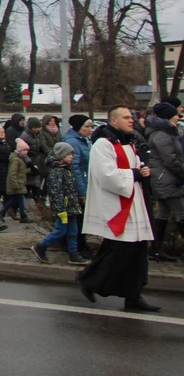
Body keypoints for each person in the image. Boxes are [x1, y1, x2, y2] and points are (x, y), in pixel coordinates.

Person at [77, 105, 159, 312]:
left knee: (137, 253)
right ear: (113, 121)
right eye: (125, 117)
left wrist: (143, 170)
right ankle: (89, 280)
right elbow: (106, 175)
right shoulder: (103, 144)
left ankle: (133, 297)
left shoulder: (128, 143)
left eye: (131, 117)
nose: (131, 120)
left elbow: (134, 167)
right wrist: (135, 174)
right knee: (121, 251)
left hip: (134, 203)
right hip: (118, 206)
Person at [30, 142, 86, 265]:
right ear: (61, 156)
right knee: (61, 231)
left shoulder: (67, 170)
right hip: (63, 209)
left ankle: (73, 254)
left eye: (72, 154)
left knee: (73, 231)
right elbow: (56, 193)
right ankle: (40, 246)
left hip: (71, 208)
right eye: (69, 154)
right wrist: (61, 210)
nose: (71, 156)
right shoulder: (56, 172)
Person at [145, 102, 183, 263]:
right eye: (175, 114)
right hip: (166, 180)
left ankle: (155, 250)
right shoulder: (162, 135)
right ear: (168, 117)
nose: (178, 116)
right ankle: (155, 250)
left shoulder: (165, 133)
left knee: (163, 215)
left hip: (163, 179)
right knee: (182, 214)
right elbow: (170, 160)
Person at [65, 114, 95, 256]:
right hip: (78, 185)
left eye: (91, 127)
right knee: (78, 218)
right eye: (87, 127)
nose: (90, 130)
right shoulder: (73, 142)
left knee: (83, 217)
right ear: (78, 127)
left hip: (86, 181)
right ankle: (77, 247)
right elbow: (74, 168)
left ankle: (81, 245)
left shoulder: (85, 140)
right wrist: (81, 192)